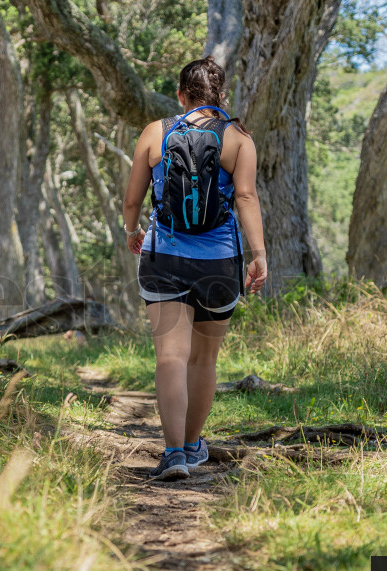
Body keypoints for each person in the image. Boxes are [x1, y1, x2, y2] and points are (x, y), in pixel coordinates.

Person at [122, 56, 268, 481]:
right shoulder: (238, 138)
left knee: (170, 357)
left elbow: (133, 199)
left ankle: (172, 455)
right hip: (220, 262)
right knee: (203, 360)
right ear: (221, 95)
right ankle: (191, 446)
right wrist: (258, 254)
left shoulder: (157, 132)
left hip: (163, 257)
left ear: (181, 95)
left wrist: (132, 230)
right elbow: (246, 198)